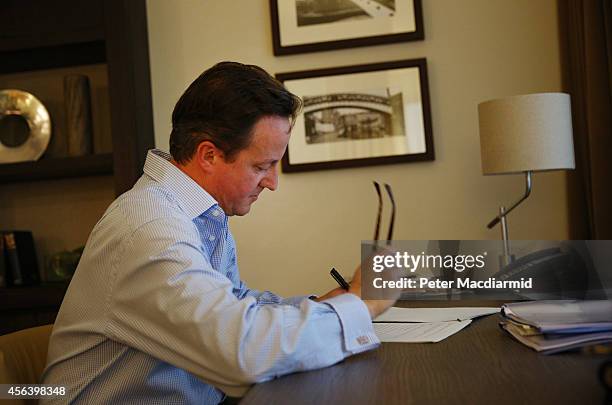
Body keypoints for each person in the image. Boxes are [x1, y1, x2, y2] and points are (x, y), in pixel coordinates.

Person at [41, 61, 395, 404]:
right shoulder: (149, 227)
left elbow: (235, 306)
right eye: (262, 166)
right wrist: (363, 303)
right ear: (208, 155)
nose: (272, 183)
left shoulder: (200, 214)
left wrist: (321, 305)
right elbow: (241, 352)